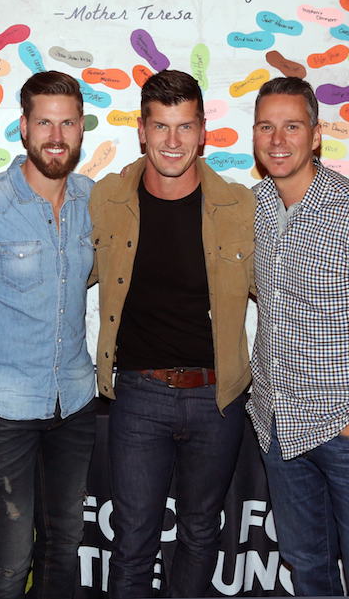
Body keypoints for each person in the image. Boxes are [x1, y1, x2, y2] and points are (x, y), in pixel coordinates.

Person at [89, 69, 255, 598]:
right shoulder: (107, 200)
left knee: (202, 533)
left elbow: (285, 293)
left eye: (184, 127)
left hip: (217, 397)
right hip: (138, 394)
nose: (173, 142)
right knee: (133, 541)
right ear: (142, 130)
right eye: (161, 127)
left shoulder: (240, 207)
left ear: (203, 131)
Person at [248, 76, 349, 595]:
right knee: (306, 567)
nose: (278, 140)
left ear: (315, 135)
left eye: (291, 126)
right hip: (281, 429)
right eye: (266, 127)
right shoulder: (253, 208)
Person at [0, 71, 96, 599]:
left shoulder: (94, 201)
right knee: (10, 560)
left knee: (64, 544)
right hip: (3, 409)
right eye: (44, 122)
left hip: (76, 402)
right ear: (23, 127)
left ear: (81, 129)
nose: (56, 135)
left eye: (67, 123)